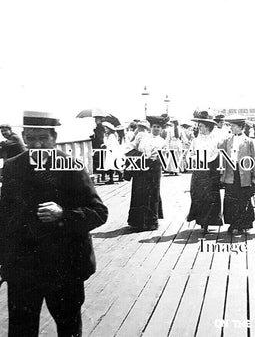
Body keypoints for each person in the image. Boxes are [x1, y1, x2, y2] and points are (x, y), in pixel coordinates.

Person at [0, 110, 108, 336]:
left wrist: (63, 214)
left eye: (43, 138)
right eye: (32, 138)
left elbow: (99, 212)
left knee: (68, 326)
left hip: (63, 266)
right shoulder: (11, 167)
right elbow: (4, 216)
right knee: (21, 328)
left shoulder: (72, 166)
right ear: (25, 138)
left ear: (54, 138)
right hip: (23, 267)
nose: (37, 144)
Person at [126, 116, 168, 231]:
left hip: (154, 168)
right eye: (154, 126)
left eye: (158, 127)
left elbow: (164, 157)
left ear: (161, 129)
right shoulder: (142, 136)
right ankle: (137, 222)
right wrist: (136, 155)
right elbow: (130, 146)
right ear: (150, 127)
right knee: (139, 191)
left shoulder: (162, 142)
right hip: (141, 166)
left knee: (153, 193)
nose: (155, 129)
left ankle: (151, 222)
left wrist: (157, 159)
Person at [186, 111, 224, 234]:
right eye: (199, 126)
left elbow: (218, 155)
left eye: (201, 126)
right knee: (197, 195)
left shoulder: (216, 140)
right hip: (199, 171)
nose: (199, 128)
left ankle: (208, 222)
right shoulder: (196, 140)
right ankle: (201, 220)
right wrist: (192, 159)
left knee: (210, 196)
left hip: (211, 172)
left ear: (208, 127)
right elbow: (190, 153)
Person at [219, 115, 255, 234]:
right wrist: (221, 173)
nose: (232, 128)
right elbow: (223, 157)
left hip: (244, 174)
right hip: (230, 173)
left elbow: (253, 158)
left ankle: (243, 224)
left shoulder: (249, 141)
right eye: (231, 125)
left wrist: (254, 175)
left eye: (234, 126)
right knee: (231, 199)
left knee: (243, 199)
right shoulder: (227, 140)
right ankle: (233, 223)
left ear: (241, 127)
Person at [90, 116, 105, 182]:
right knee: (101, 160)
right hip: (100, 146)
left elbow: (99, 137)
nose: (95, 121)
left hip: (99, 146)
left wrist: (93, 137)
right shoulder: (100, 127)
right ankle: (102, 175)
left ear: (99, 120)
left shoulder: (99, 127)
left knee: (100, 160)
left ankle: (102, 175)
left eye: (97, 119)